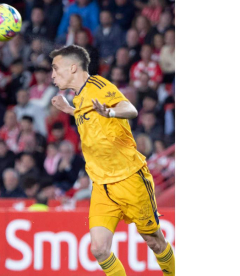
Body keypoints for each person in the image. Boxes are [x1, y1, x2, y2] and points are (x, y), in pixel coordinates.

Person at [49, 45, 174, 275]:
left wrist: (112, 112)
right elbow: (87, 112)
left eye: (56, 69)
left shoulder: (99, 86)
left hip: (129, 179)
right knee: (99, 248)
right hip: (101, 185)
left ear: (73, 67)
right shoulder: (79, 98)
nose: (52, 75)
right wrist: (69, 110)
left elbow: (130, 108)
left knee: (155, 242)